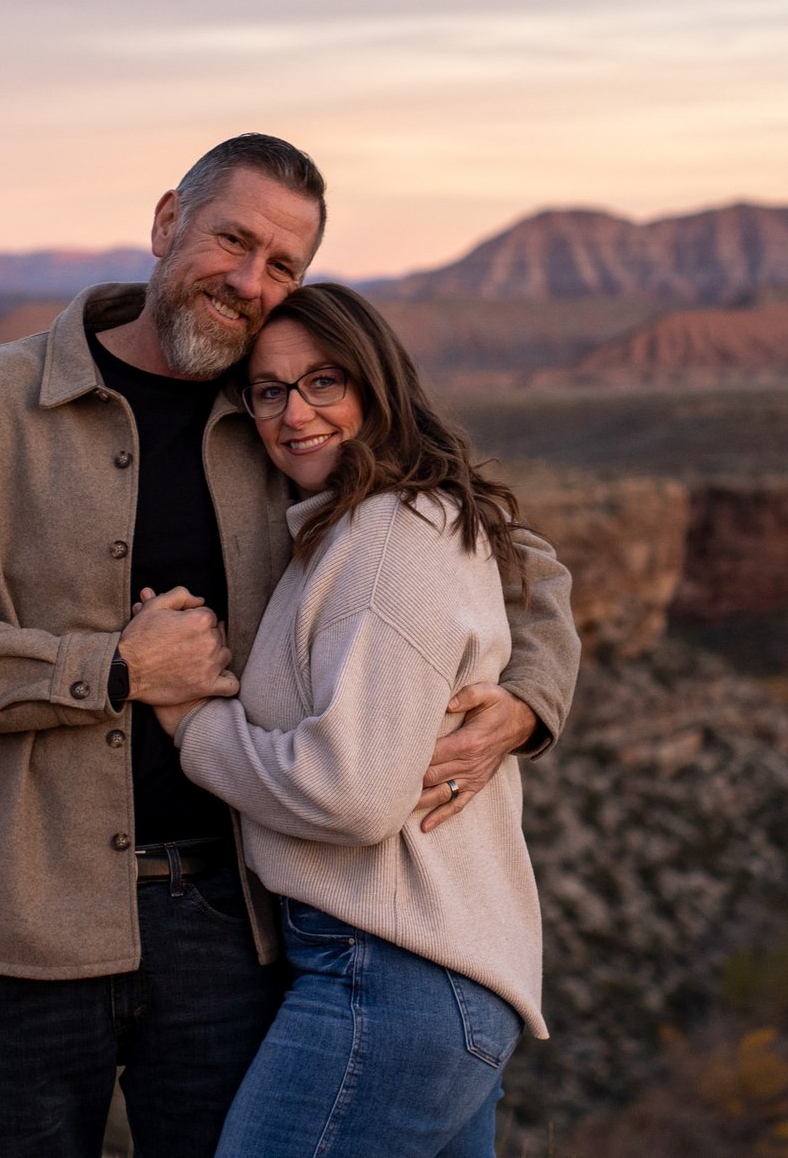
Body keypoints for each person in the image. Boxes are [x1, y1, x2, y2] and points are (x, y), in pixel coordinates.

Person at [0, 135, 581, 1158]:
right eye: (232, 239)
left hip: (228, 927)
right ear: (165, 221)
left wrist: (531, 695)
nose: (248, 280)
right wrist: (111, 670)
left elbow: (503, 548)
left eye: (282, 265)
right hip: (15, 926)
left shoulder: (284, 415)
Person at [156, 282, 548, 1158]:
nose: (295, 413)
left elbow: (355, 795)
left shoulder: (383, 539)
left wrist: (190, 720)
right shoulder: (390, 519)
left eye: (323, 382)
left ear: (376, 384)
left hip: (387, 977)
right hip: (438, 979)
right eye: (269, 390)